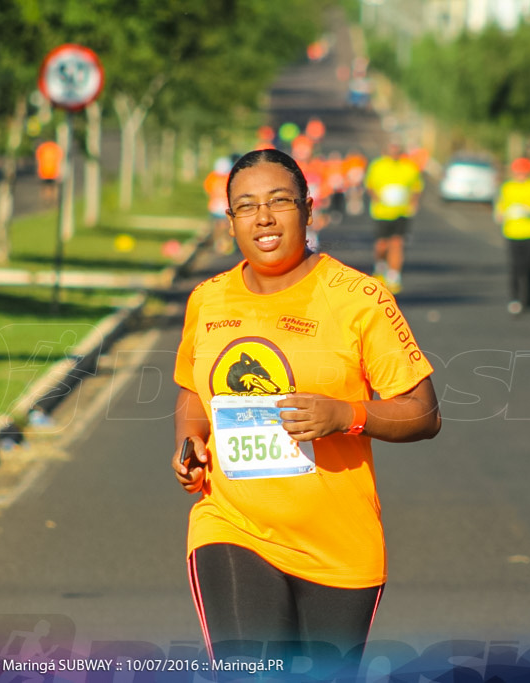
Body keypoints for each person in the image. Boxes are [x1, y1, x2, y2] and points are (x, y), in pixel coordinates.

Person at [172, 148, 441, 675]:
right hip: (233, 524)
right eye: (246, 206)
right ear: (230, 220)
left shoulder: (359, 298)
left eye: (279, 202)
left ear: (309, 209)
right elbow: (192, 394)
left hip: (339, 549)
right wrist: (191, 442)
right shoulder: (208, 300)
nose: (263, 218)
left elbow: (423, 412)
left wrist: (346, 415)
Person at [494, 157, 530, 315]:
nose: (520, 175)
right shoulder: (507, 187)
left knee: (528, 266)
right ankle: (514, 299)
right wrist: (501, 214)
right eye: (517, 172)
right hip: (512, 232)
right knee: (515, 266)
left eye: (523, 172)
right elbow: (501, 208)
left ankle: (529, 300)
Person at [364, 141, 424, 294]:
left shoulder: (409, 167)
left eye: (397, 150)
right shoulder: (378, 166)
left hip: (402, 212)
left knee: (397, 243)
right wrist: (377, 198)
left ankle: (394, 277)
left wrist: (413, 202)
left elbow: (417, 187)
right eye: (392, 150)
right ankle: (380, 266)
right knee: (382, 245)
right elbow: (370, 185)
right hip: (382, 212)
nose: (394, 153)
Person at [204, 157, 233, 255]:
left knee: (226, 225)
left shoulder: (229, 177)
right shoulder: (212, 177)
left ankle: (227, 243)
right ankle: (218, 244)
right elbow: (208, 189)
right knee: (217, 225)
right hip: (216, 206)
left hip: (226, 205)